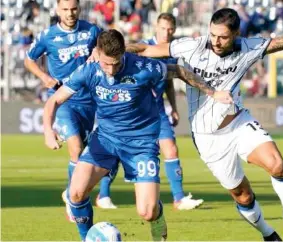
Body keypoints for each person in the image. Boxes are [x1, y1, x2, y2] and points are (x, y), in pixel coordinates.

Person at [124, 8, 283, 241]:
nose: (216, 41)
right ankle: (268, 233)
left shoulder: (249, 48)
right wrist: (111, 49)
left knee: (277, 165)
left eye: (223, 37)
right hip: (208, 138)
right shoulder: (191, 46)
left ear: (236, 35)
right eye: (213, 35)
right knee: (243, 195)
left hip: (238, 122)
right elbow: (146, 49)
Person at [42, 29, 232, 241]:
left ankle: (157, 217)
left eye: (116, 63)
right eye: (106, 63)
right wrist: (48, 130)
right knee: (75, 193)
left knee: (147, 212)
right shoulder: (89, 70)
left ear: (124, 52)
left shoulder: (144, 67)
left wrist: (213, 92)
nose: (111, 69)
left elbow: (177, 70)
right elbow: (54, 100)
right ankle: (86, 238)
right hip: (105, 140)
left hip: (141, 144)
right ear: (97, 53)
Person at [24, 0, 119, 218]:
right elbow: (29, 60)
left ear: (79, 8)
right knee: (75, 147)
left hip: (91, 101)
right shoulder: (48, 36)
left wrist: (98, 50)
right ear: (57, 10)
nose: (70, 13)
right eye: (65, 9)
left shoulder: (92, 30)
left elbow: (110, 46)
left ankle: (72, 193)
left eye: (74, 8)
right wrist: (45, 77)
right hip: (64, 100)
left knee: (89, 156)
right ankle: (74, 201)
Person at [143, 13, 204, 210]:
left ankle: (178, 199)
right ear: (156, 27)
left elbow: (168, 81)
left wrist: (174, 108)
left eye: (170, 29)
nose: (166, 33)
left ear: (174, 30)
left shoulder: (172, 51)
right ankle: (103, 194)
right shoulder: (144, 48)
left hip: (158, 110)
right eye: (163, 28)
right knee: (118, 153)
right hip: (137, 110)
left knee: (171, 149)